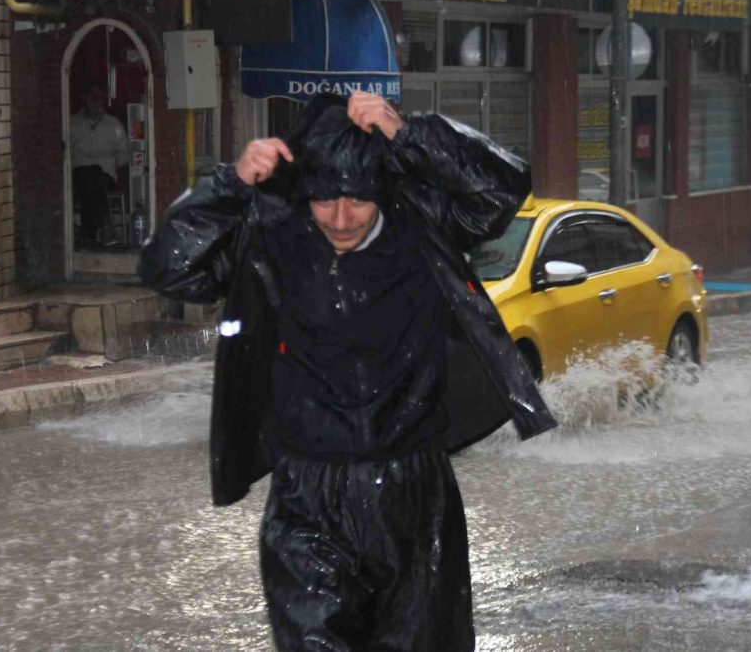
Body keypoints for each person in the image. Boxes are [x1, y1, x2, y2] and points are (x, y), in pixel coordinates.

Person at [139, 92, 558, 650]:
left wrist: (403, 131)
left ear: (381, 191)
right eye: (323, 201)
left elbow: (502, 186)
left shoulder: (424, 227)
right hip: (307, 498)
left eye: (358, 201)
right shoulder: (271, 240)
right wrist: (232, 185)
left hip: (414, 495)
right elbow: (168, 267)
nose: (340, 219)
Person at [69, 82, 128, 248]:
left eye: (100, 98)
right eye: (93, 97)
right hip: (77, 176)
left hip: (105, 176)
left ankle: (87, 234)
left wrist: (115, 165)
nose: (97, 102)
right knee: (89, 176)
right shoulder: (72, 124)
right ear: (84, 98)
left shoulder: (114, 125)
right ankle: (103, 228)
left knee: (94, 177)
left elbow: (124, 153)